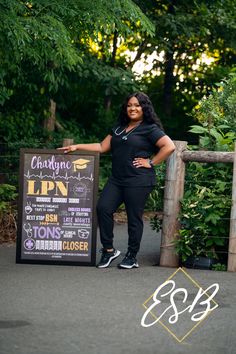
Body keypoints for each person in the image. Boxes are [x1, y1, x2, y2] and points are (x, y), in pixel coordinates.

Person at [59, 92, 175, 269]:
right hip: (117, 180)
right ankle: (109, 250)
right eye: (129, 105)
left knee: (133, 218)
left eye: (137, 105)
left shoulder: (150, 129)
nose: (133, 108)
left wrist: (151, 162)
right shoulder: (119, 127)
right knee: (103, 208)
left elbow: (169, 146)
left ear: (144, 108)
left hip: (138, 180)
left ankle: (132, 256)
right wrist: (77, 146)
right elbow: (101, 146)